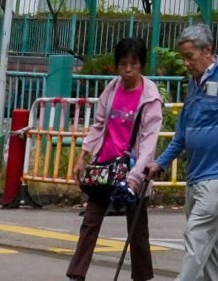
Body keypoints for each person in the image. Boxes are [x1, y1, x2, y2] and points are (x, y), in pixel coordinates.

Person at [153, 23, 218, 281]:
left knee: (196, 234)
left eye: (189, 56)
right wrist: (160, 163)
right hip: (196, 175)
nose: (186, 63)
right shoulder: (194, 83)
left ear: (207, 50)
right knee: (211, 242)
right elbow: (183, 133)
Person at [66, 37, 164, 281]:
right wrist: (83, 156)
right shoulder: (111, 89)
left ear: (142, 65)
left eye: (133, 64)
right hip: (105, 168)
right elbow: (98, 126)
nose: (128, 70)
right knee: (90, 222)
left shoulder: (150, 97)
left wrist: (134, 179)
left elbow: (149, 143)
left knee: (137, 230)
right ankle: (76, 275)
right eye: (123, 64)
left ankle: (142, 276)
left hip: (134, 171)